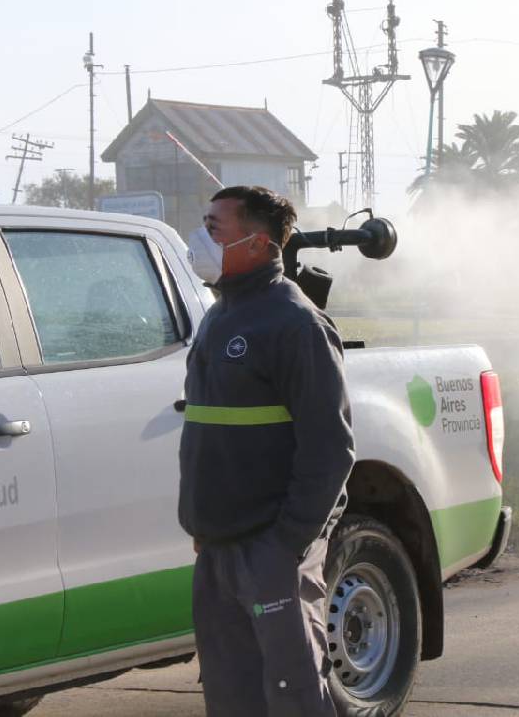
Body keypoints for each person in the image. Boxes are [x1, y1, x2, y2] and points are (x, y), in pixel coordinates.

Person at [179, 186, 355, 717]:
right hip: (218, 547)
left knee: (293, 694)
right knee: (232, 696)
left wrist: (286, 544)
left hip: (270, 550)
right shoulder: (221, 313)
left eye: (215, 229)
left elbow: (332, 448)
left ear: (258, 245)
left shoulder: (295, 323)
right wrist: (205, 526)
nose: (201, 237)